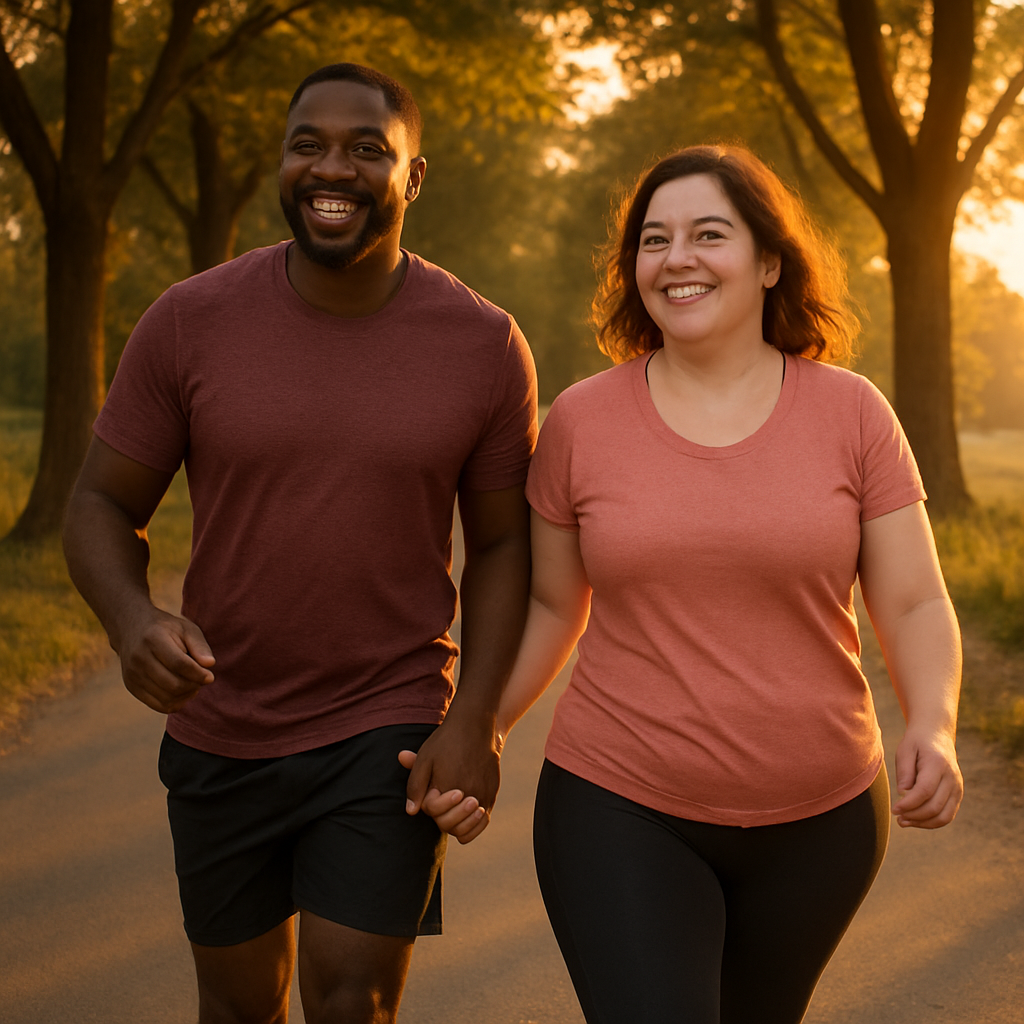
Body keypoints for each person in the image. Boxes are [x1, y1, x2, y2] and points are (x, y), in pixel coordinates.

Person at [422, 145, 964, 1023]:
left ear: (770, 262)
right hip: (619, 804)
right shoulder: (582, 420)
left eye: (709, 235)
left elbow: (912, 600)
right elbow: (558, 604)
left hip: (821, 821)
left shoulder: (854, 413)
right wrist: (479, 728)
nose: (677, 258)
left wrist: (934, 729)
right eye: (654, 240)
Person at [62, 63, 536, 1024]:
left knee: (350, 999)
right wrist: (130, 621)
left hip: (386, 722)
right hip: (221, 720)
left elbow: (501, 549)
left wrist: (475, 720)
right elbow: (101, 504)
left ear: (413, 178)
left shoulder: (485, 345)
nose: (334, 167)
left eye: (369, 148)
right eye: (308, 143)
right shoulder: (189, 322)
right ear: (283, 163)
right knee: (238, 1009)